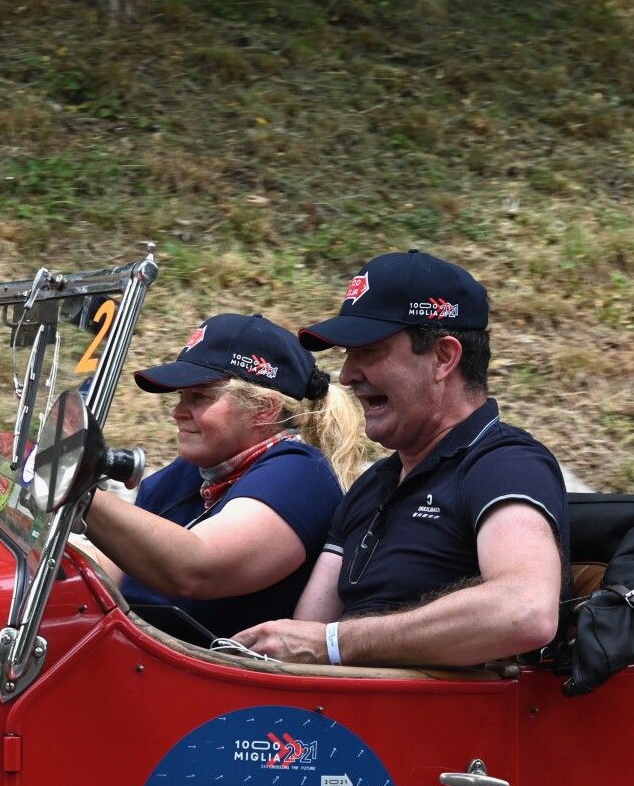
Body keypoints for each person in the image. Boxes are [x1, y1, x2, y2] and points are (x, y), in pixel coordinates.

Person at [233, 250, 570, 667]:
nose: (347, 375)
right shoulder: (374, 484)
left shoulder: (504, 464)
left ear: (444, 358)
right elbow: (301, 645)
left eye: (369, 351)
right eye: (347, 355)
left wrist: (334, 643)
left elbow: (526, 610)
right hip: (338, 705)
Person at [79, 312, 368, 637]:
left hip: (210, 667)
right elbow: (107, 572)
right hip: (136, 654)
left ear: (264, 409)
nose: (177, 412)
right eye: (181, 396)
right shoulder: (191, 472)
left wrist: (79, 491)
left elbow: (196, 568)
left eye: (199, 396)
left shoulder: (301, 475)